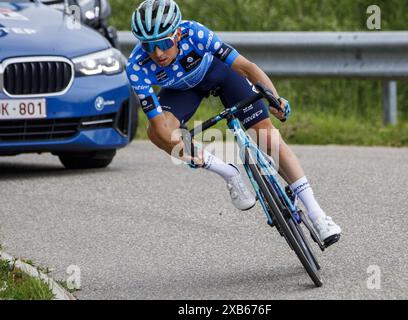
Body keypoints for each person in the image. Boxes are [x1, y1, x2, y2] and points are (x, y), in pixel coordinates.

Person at [126, 0, 341, 245]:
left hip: (218, 73)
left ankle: (318, 215)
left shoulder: (194, 32)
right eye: (148, 46)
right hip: (181, 91)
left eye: (164, 43)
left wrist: (275, 98)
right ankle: (228, 172)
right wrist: (181, 145)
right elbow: (159, 126)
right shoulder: (135, 66)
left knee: (267, 137)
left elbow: (247, 67)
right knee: (156, 134)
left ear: (177, 33)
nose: (158, 54)